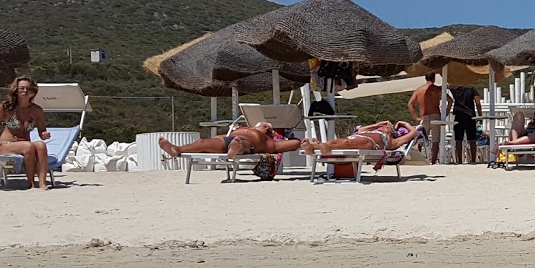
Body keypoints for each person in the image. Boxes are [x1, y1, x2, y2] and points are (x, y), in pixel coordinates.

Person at [0, 76, 52, 190]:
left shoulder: (37, 110)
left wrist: (44, 134)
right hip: (6, 145)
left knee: (41, 146)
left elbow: (41, 131)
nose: (25, 91)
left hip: (25, 144)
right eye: (21, 88)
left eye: (28, 88)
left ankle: (42, 183)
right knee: (28, 146)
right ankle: (31, 183)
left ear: (33, 91)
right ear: (16, 90)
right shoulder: (7, 107)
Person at [159, 122, 304, 161]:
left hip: (249, 144)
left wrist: (297, 140)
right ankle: (176, 150)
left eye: (265, 127)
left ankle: (236, 149)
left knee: (242, 143)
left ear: (266, 128)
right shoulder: (244, 127)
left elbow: (295, 143)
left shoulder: (269, 141)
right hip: (226, 140)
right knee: (202, 143)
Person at [302, 121, 424, 157]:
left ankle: (322, 146)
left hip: (370, 143)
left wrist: (404, 123)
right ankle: (318, 146)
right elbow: (360, 130)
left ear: (392, 132)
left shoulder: (393, 140)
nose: (383, 126)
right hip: (360, 137)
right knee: (342, 141)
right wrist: (378, 124)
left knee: (346, 142)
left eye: (387, 126)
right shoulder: (374, 130)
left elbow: (414, 132)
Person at [408, 73, 445, 164]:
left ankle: (419, 160)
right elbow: (450, 100)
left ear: (425, 78)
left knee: (421, 140)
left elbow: (410, 104)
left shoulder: (419, 90)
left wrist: (415, 117)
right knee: (435, 140)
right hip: (435, 115)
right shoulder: (437, 89)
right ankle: (433, 161)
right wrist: (445, 113)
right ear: (434, 78)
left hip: (424, 116)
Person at [447, 80, 483, 164]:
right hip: (470, 115)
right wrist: (480, 115)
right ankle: (473, 159)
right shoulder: (472, 88)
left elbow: (447, 85)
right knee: (472, 139)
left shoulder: (455, 88)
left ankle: (460, 160)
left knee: (458, 139)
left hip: (459, 115)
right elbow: (478, 103)